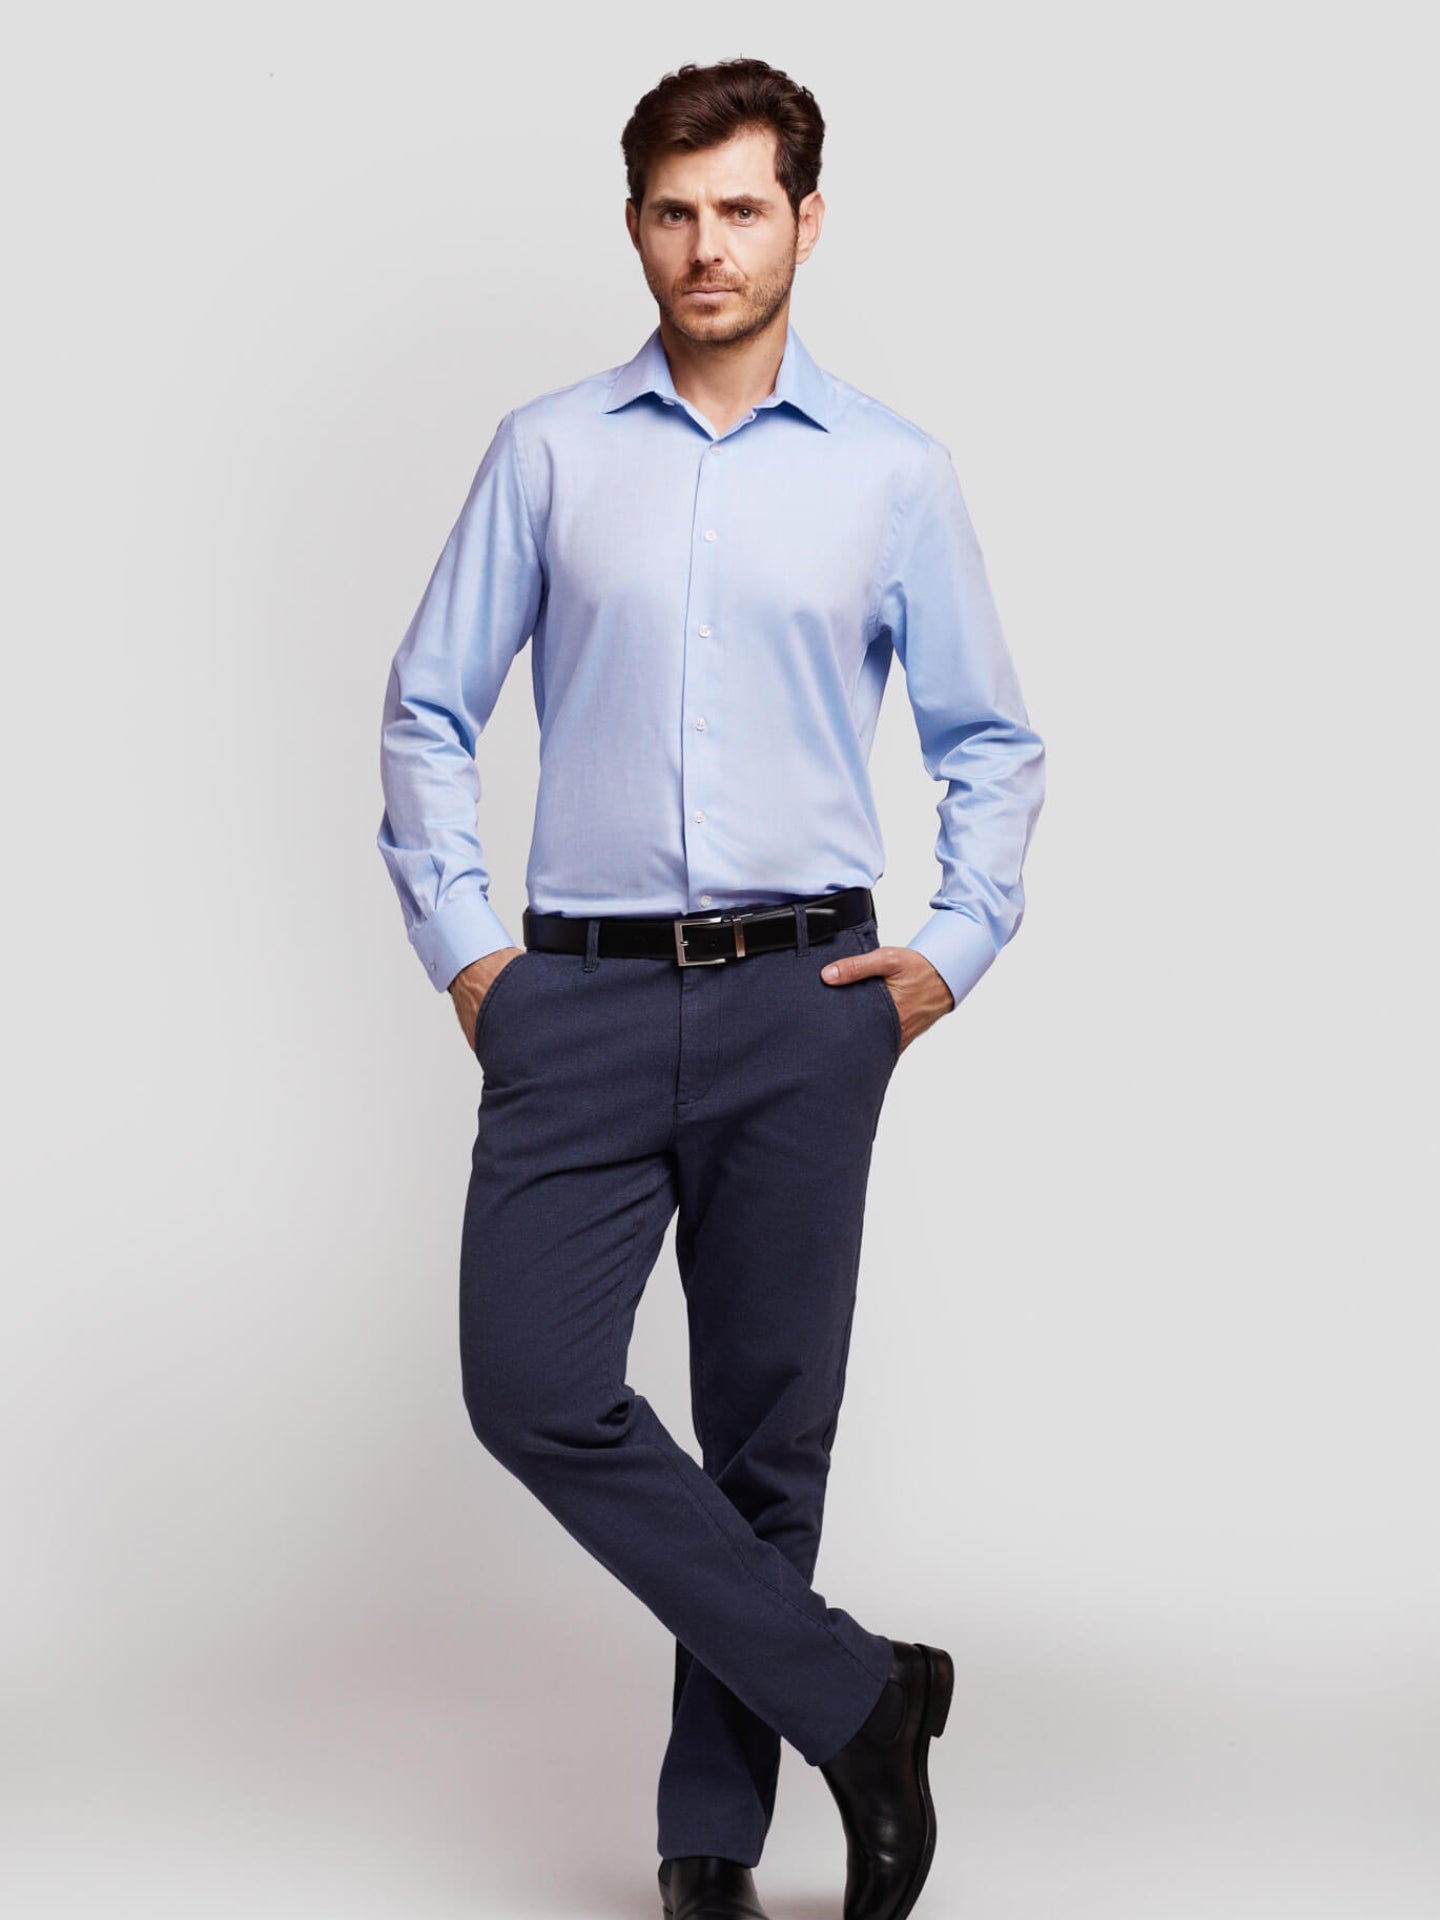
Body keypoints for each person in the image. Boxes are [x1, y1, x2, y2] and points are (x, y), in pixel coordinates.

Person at [376, 55, 1045, 1920]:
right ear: (634, 226)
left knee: (768, 1438)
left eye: (742, 208)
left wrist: (950, 950)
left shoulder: (893, 474)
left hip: (804, 1001)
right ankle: (865, 1700)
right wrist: (472, 956)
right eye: (674, 212)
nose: (707, 247)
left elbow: (992, 741)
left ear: (805, 222)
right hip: (573, 1002)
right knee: (531, 1387)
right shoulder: (548, 453)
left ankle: (708, 1847)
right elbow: (427, 708)